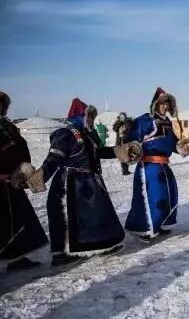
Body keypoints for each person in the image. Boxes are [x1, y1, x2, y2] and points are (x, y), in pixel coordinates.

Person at [23, 98, 139, 265]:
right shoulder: (65, 134)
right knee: (65, 218)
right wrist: (39, 178)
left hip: (89, 182)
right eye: (88, 116)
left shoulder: (87, 135)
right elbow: (54, 158)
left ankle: (101, 245)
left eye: (92, 116)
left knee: (95, 216)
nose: (91, 119)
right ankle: (61, 254)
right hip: (69, 184)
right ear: (78, 115)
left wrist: (121, 151)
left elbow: (98, 153)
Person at [125, 88, 189, 241]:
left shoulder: (167, 122)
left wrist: (183, 147)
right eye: (162, 103)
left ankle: (162, 224)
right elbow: (131, 139)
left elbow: (173, 143)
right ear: (155, 104)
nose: (164, 106)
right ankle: (144, 229)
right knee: (152, 198)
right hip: (149, 167)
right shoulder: (145, 120)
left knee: (170, 195)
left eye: (167, 103)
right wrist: (129, 141)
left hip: (164, 166)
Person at [0, 92, 48, 271]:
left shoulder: (9, 126)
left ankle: (16, 258)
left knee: (19, 220)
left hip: (14, 181)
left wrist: (22, 170)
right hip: (1, 181)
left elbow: (20, 146)